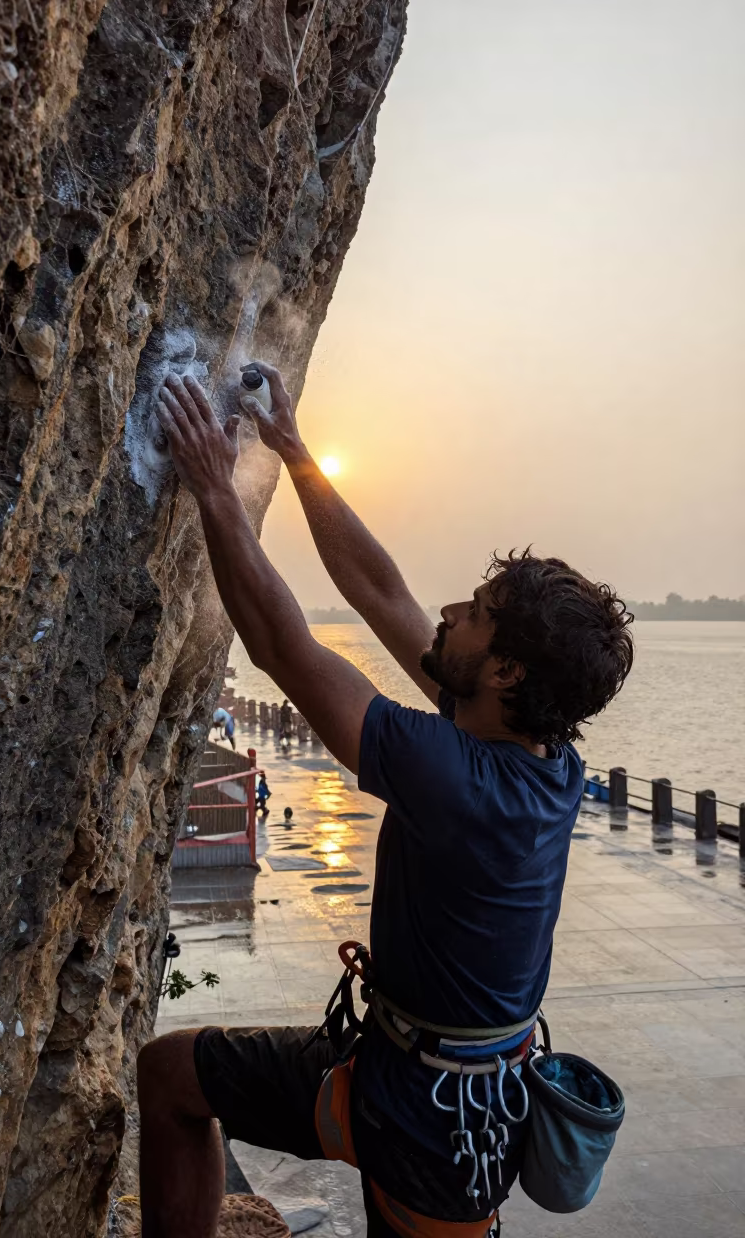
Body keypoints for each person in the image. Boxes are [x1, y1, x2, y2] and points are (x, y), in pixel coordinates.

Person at [137, 366, 634, 1238]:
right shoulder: (538, 752)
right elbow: (382, 594)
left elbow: (282, 648)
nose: (447, 611)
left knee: (173, 1078)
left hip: (432, 1126)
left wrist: (215, 489)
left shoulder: (461, 779)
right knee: (173, 1074)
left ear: (508, 669)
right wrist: (296, 455)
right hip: (428, 1075)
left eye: (475, 612)